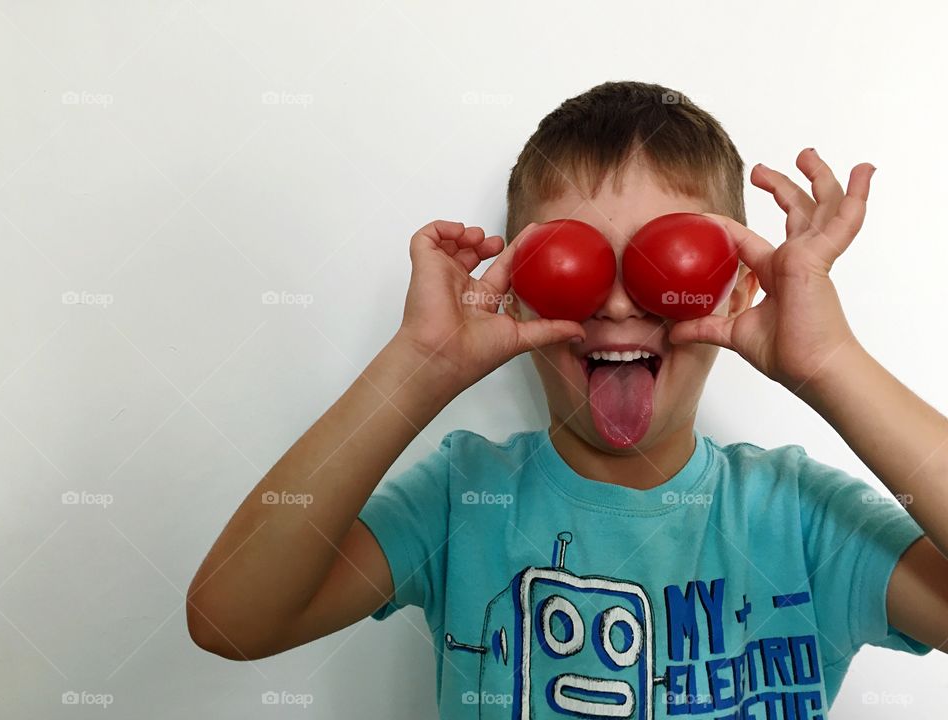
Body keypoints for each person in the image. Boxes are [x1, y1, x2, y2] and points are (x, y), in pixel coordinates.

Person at [186, 81, 948, 718]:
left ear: (739, 288)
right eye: (572, 260)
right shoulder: (463, 500)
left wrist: (831, 363)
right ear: (515, 295)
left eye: (665, 261)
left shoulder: (805, 522)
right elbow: (233, 620)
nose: (616, 304)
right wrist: (418, 366)